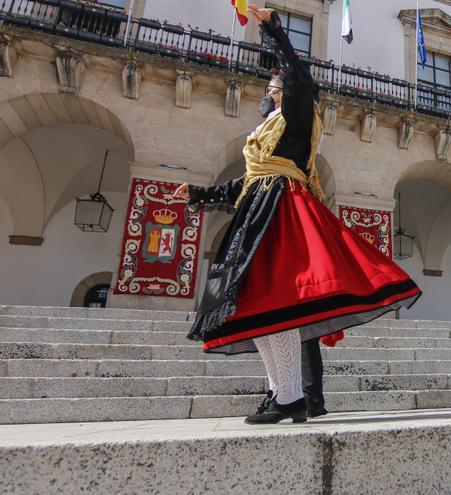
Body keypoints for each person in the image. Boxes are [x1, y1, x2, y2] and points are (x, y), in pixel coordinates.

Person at [171, 6, 420, 424]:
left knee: (276, 302)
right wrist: (200, 193)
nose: (270, 86)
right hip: (257, 206)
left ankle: (289, 396)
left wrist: (274, 31)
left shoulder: (300, 115)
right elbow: (244, 184)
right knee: (255, 306)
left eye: (275, 82)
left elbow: (300, 78)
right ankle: (281, 393)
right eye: (272, 83)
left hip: (281, 209)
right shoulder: (267, 135)